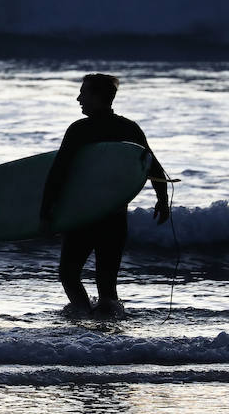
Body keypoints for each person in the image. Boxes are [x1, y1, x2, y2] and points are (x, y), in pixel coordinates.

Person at [40, 73, 171, 318]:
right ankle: (110, 334)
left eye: (84, 93)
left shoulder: (80, 130)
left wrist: (47, 211)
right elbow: (152, 166)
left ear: (98, 97)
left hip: (83, 215)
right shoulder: (128, 128)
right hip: (115, 216)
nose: (79, 98)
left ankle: (81, 316)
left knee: (69, 274)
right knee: (107, 284)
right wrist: (162, 201)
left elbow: (59, 172)